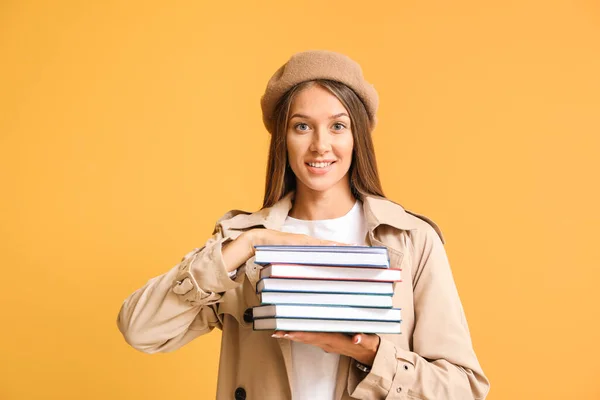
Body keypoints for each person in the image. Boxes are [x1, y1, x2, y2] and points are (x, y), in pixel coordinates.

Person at [117, 50, 490, 400]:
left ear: (357, 136)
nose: (320, 145)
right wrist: (250, 243)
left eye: (338, 126)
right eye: (302, 127)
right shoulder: (241, 243)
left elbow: (463, 387)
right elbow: (141, 330)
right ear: (284, 139)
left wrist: (365, 350)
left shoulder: (410, 240)